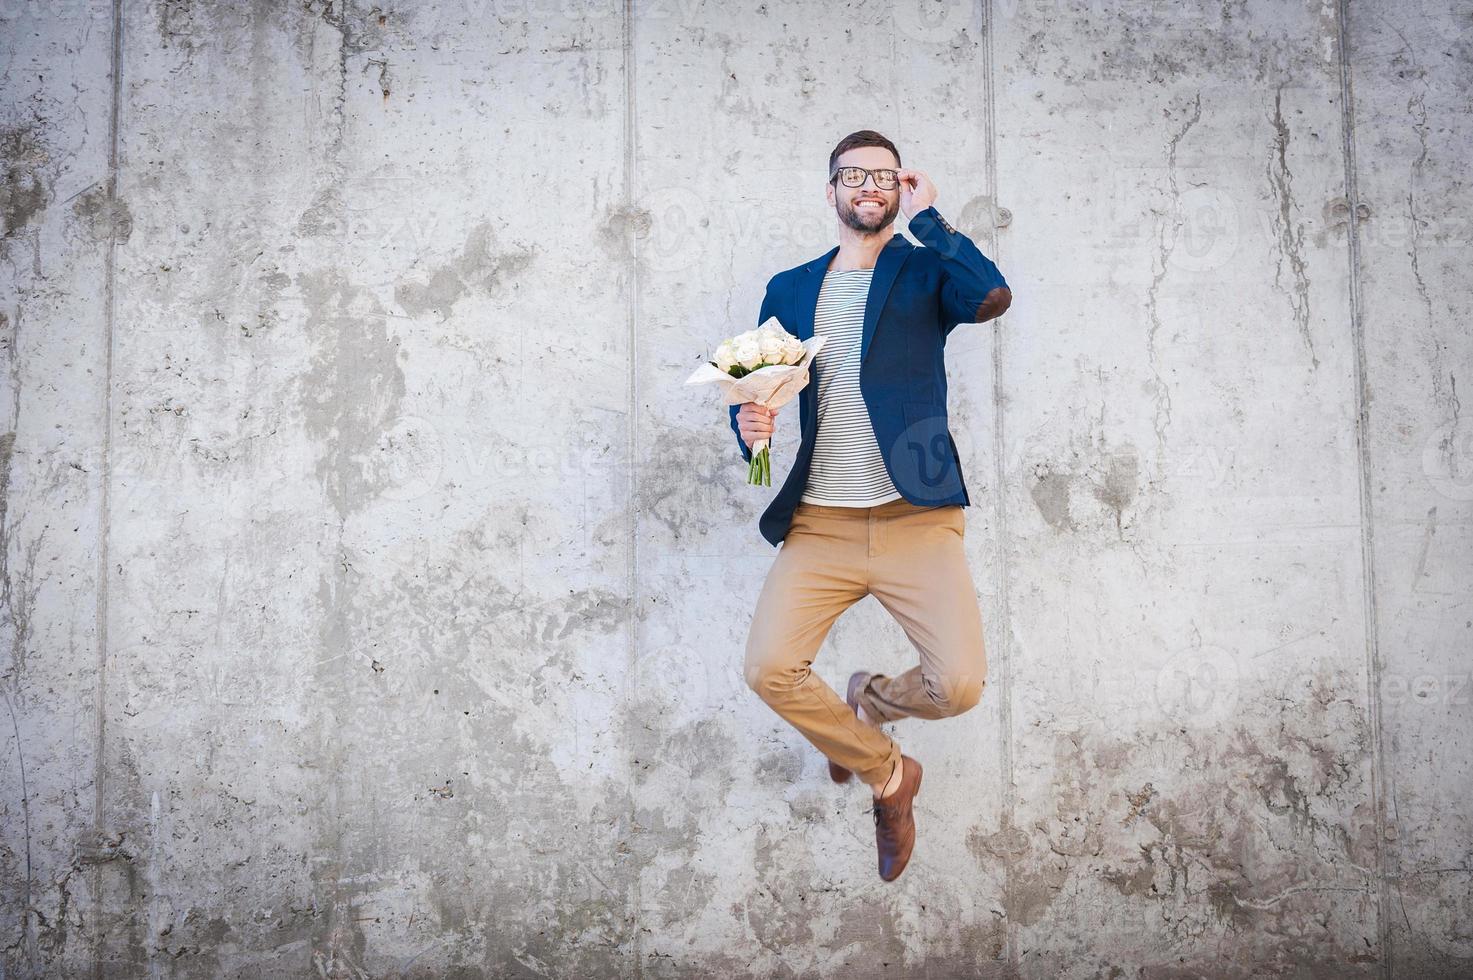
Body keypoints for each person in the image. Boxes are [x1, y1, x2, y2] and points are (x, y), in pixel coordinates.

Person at [730, 130, 1011, 881]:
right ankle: (887, 773)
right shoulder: (788, 288)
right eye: (851, 175)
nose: (867, 186)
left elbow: (989, 295)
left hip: (913, 514)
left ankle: (873, 701)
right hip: (820, 520)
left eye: (883, 177)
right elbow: (757, 396)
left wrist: (934, 218)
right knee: (768, 669)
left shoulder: (925, 271)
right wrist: (748, 427)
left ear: (899, 188)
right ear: (830, 192)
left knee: (957, 686)